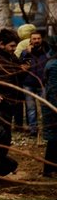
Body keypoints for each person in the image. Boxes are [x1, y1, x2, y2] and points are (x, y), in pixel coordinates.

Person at [20, 31, 50, 137]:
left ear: (41, 39)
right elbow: (20, 65)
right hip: (28, 84)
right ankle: (33, 130)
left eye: (38, 38)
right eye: (34, 39)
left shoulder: (47, 52)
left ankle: (47, 130)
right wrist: (26, 53)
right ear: (30, 40)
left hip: (43, 84)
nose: (36, 40)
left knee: (45, 108)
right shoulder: (25, 52)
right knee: (31, 108)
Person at [42, 43, 57, 177]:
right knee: (54, 139)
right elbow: (53, 90)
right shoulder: (54, 65)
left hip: (51, 105)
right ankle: (49, 169)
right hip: (53, 107)